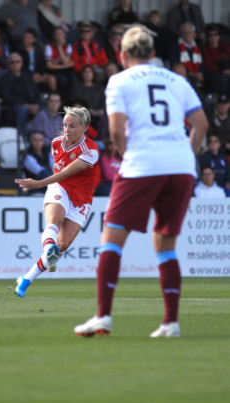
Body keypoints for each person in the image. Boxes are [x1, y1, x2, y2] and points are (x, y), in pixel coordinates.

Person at [74, 25, 209, 338]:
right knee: (165, 244)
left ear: (122, 54)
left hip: (143, 164)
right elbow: (201, 124)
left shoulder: (119, 81)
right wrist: (184, 155)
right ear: (152, 53)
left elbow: (118, 131)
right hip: (181, 167)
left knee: (111, 239)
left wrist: (126, 156)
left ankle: (103, 316)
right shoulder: (178, 80)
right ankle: (170, 323)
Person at [13, 106, 100, 298]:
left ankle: (26, 278)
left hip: (82, 198)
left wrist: (37, 183)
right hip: (59, 187)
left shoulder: (91, 151)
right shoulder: (56, 143)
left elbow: (67, 171)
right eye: (65, 125)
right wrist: (45, 185)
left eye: (72, 126)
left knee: (63, 245)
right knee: (54, 221)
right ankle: (48, 250)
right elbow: (60, 177)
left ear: (84, 127)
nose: (67, 130)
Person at [0, 52, 40, 137]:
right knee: (22, 110)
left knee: (45, 109)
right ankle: (22, 139)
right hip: (14, 107)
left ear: (21, 63)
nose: (15, 64)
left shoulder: (28, 77)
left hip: (31, 105)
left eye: (17, 61)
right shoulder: (4, 79)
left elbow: (35, 92)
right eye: (12, 62)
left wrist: (36, 105)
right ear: (8, 64)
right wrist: (26, 105)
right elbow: (6, 97)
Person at [68, 65, 107, 137]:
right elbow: (76, 101)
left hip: (99, 113)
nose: (87, 74)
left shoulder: (99, 86)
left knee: (105, 120)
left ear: (93, 74)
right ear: (82, 74)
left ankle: (102, 140)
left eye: (90, 72)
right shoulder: (77, 86)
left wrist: (101, 110)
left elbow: (104, 100)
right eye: (85, 72)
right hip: (83, 114)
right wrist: (89, 110)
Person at [170, 22, 204, 91]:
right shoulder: (175, 47)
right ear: (181, 34)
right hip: (184, 75)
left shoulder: (199, 48)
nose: (187, 34)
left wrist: (200, 73)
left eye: (190, 32)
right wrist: (191, 74)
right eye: (185, 32)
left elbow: (203, 64)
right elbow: (174, 64)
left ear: (194, 34)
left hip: (198, 75)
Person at [21, 27, 56, 92]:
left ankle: (53, 98)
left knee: (51, 78)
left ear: (33, 39)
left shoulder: (38, 49)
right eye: (24, 37)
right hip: (26, 74)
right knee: (31, 79)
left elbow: (42, 63)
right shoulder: (20, 50)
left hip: (38, 73)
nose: (25, 39)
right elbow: (21, 66)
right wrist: (31, 74)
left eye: (28, 38)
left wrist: (39, 73)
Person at [45, 26, 75, 98]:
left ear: (64, 35)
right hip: (54, 71)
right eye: (57, 34)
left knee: (73, 78)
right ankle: (62, 99)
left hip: (66, 70)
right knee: (62, 79)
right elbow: (49, 65)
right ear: (54, 36)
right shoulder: (49, 46)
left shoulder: (68, 46)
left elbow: (65, 61)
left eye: (61, 34)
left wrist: (60, 48)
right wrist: (64, 66)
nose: (59, 36)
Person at [202, 24, 230, 96]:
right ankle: (223, 101)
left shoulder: (225, 46)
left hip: (227, 69)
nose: (213, 37)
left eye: (215, 35)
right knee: (223, 79)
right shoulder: (205, 48)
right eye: (210, 35)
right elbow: (209, 65)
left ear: (219, 36)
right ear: (207, 37)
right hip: (214, 72)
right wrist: (224, 71)